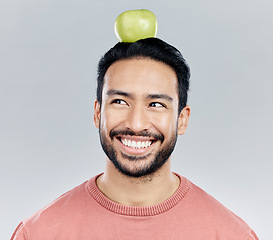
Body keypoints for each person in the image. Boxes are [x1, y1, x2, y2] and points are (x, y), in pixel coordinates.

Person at [11, 38, 259, 239]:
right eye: (120, 101)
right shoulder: (38, 233)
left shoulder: (231, 234)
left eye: (156, 104)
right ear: (98, 113)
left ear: (182, 119)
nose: (136, 123)